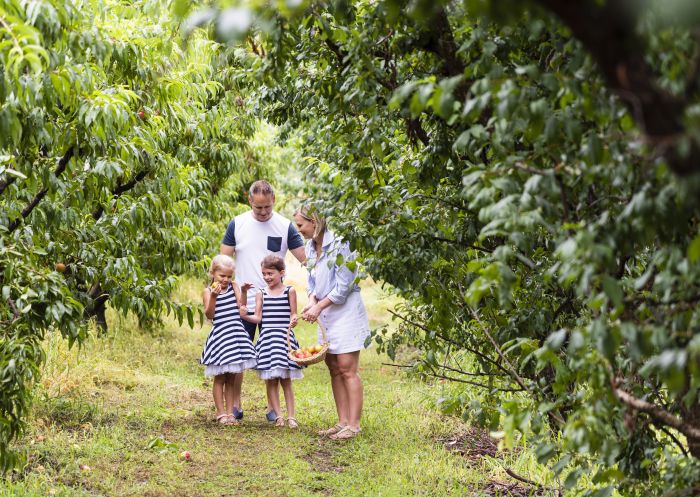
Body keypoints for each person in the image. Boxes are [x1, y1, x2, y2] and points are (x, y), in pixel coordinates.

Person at [220, 180, 306, 421]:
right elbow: (223, 262)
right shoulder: (237, 224)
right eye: (258, 208)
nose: (263, 212)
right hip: (244, 299)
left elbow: (306, 258)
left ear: (274, 201)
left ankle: (273, 409)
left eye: (267, 207)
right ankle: (235, 405)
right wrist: (220, 292)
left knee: (274, 353)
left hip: (273, 301)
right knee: (238, 354)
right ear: (250, 201)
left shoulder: (285, 226)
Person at [294, 205, 370, 440]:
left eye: (301, 225)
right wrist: (311, 300)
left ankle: (354, 425)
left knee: (348, 368)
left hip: (344, 312)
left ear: (315, 222)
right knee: (334, 368)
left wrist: (318, 306)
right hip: (326, 312)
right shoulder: (310, 246)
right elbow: (312, 281)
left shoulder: (340, 245)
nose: (299, 231)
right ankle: (342, 421)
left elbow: (343, 287)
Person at [240, 255, 303, 428]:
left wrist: (294, 320)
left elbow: (293, 314)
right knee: (271, 380)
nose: (267, 277)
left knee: (286, 380)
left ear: (281, 272)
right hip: (268, 340)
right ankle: (278, 416)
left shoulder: (289, 291)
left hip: (284, 339)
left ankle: (291, 417)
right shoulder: (261, 293)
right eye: (264, 274)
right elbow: (258, 318)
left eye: (270, 273)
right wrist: (245, 315)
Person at [200, 255, 257, 425]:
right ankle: (220, 413)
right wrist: (214, 297)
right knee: (220, 377)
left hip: (236, 334)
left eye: (228, 276)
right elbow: (210, 315)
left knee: (232, 377)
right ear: (212, 273)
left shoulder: (234, 286)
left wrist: (245, 292)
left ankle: (231, 413)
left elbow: (241, 308)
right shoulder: (208, 291)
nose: (225, 280)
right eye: (221, 276)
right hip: (221, 337)